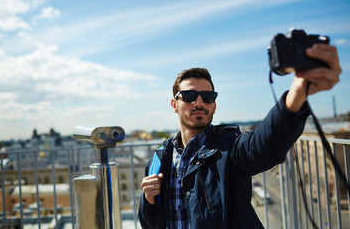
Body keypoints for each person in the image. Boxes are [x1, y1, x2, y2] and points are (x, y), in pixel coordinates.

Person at [138, 43, 341, 229]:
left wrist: (297, 95)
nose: (199, 102)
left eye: (207, 97)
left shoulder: (230, 147)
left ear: (214, 105)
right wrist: (148, 200)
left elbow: (263, 145)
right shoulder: (159, 159)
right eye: (190, 96)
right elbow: (151, 223)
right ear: (175, 104)